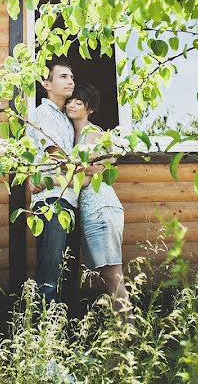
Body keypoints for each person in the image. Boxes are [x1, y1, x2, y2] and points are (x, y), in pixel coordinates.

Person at [65, 83, 130, 311]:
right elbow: (85, 168)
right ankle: (124, 329)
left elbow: (93, 169)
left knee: (112, 275)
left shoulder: (92, 132)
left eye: (78, 102)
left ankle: (129, 333)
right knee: (107, 275)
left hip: (100, 207)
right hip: (94, 210)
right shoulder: (74, 135)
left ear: (89, 109)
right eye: (70, 100)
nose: (71, 104)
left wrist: (64, 171)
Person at [27, 60, 77, 303]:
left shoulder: (64, 118)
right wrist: (84, 166)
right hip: (52, 201)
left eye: (72, 77)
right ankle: (41, 332)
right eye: (64, 76)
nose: (71, 81)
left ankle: (55, 328)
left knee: (61, 269)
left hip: (65, 197)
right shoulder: (44, 113)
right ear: (47, 84)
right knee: (50, 274)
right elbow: (56, 154)